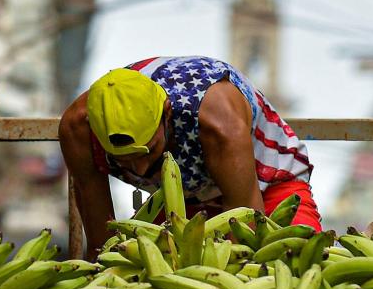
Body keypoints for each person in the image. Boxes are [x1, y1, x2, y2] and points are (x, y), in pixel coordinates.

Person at [59, 55, 321, 260]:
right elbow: (102, 246)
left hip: (265, 184)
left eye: (149, 149)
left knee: (299, 260)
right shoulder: (78, 130)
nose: (139, 168)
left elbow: (247, 237)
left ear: (167, 113)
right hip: (180, 200)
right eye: (125, 160)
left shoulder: (217, 122)